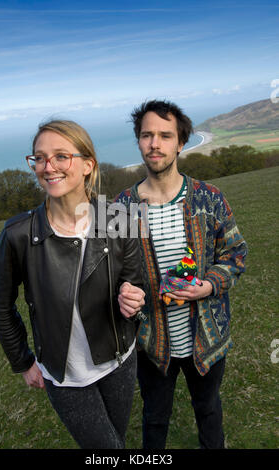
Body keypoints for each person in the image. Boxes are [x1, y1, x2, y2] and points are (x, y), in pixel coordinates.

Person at [0, 119, 145, 449]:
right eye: (40, 158)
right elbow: (2, 306)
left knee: (115, 442)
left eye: (62, 156)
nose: (49, 167)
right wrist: (22, 361)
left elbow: (136, 280)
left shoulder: (118, 218)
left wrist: (134, 297)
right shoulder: (18, 234)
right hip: (67, 376)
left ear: (88, 164)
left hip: (121, 360)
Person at [115, 100, 247, 449]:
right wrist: (121, 294)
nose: (154, 143)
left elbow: (236, 254)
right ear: (139, 141)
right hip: (150, 342)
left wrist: (207, 286)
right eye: (146, 135)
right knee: (154, 418)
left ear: (181, 143)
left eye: (164, 135)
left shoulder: (210, 198)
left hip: (207, 338)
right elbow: (107, 274)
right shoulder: (119, 208)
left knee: (208, 410)